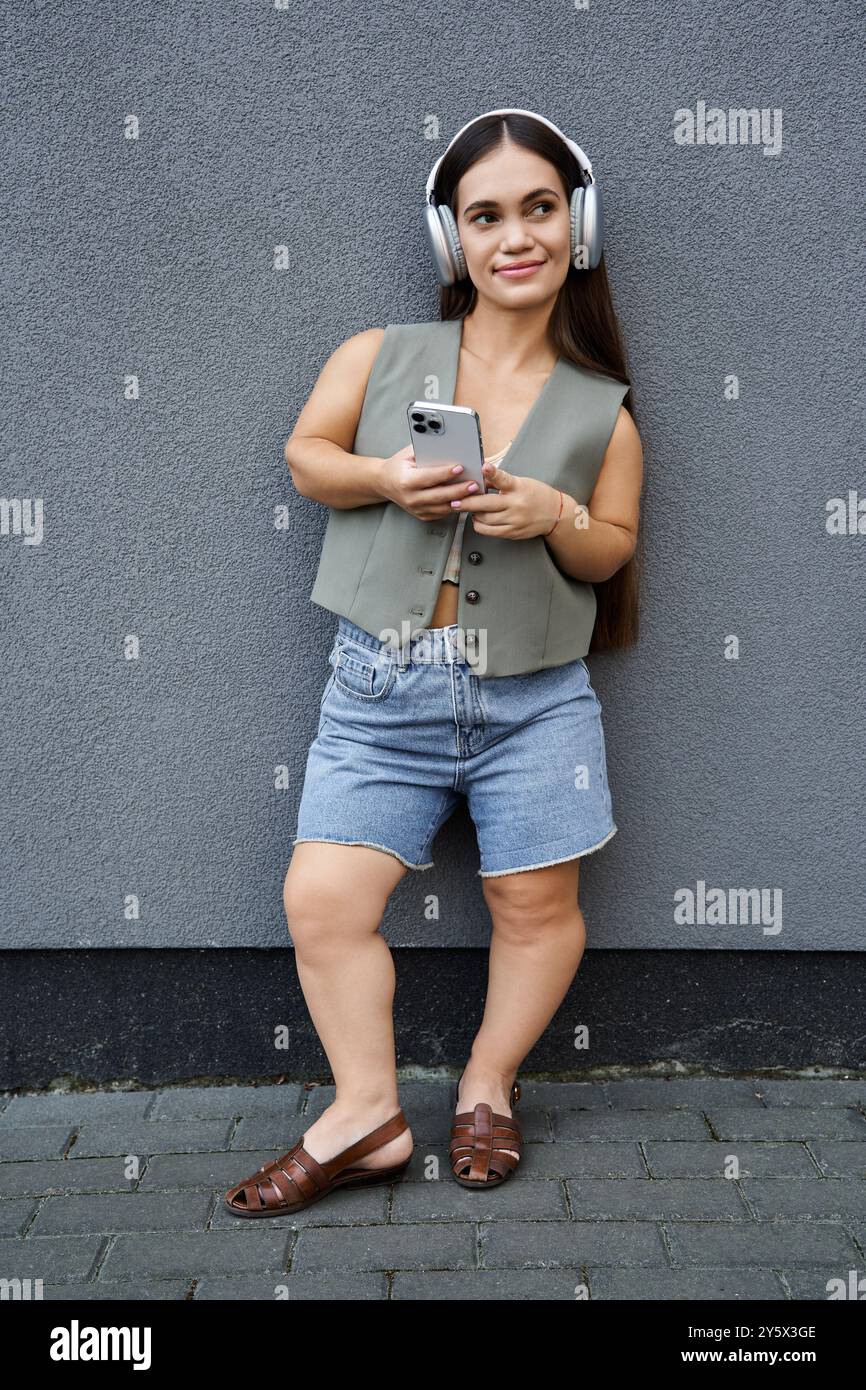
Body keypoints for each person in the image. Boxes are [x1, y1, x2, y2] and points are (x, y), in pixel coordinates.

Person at [225, 109, 643, 1217]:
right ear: (450, 237)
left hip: (536, 695)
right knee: (321, 899)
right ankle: (363, 1113)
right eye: (486, 214)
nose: (516, 235)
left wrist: (553, 509)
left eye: (539, 208)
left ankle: (485, 1087)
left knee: (533, 906)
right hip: (382, 680)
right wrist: (386, 479)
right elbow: (306, 456)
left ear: (577, 224)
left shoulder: (603, 410)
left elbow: (609, 550)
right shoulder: (378, 354)